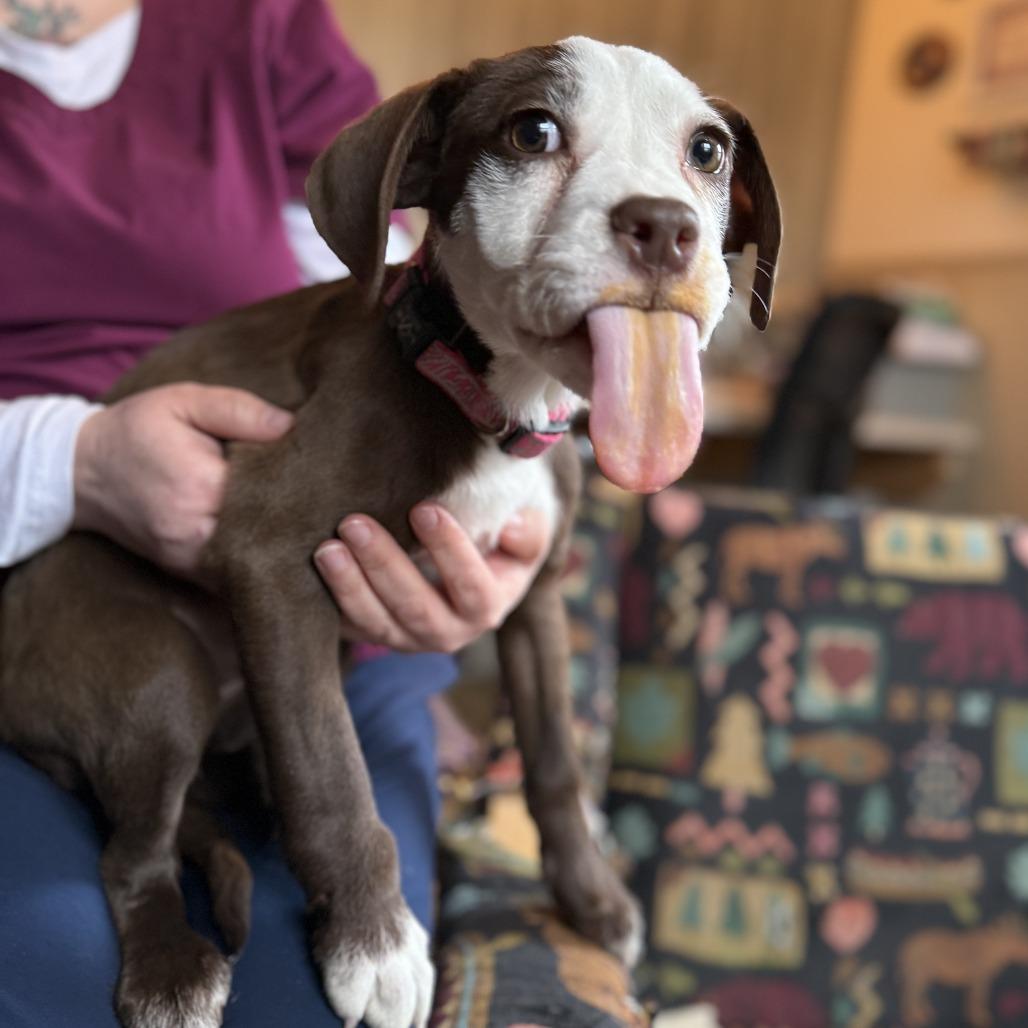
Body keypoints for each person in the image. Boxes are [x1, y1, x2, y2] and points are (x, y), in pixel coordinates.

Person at [0, 1, 549, 1024]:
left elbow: (395, 323)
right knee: (54, 974)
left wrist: (492, 519)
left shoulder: (261, 27)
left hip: (327, 629)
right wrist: (70, 463)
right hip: (52, 607)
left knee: (323, 1000)